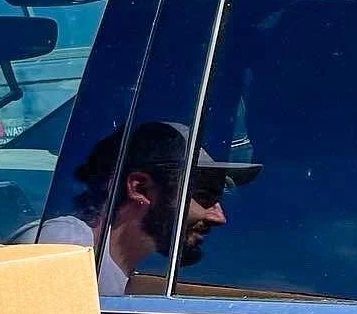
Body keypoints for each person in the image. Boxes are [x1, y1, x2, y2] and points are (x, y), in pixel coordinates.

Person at [22, 120, 259, 293]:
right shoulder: (64, 247)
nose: (219, 217)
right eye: (205, 197)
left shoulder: (111, 269)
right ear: (140, 189)